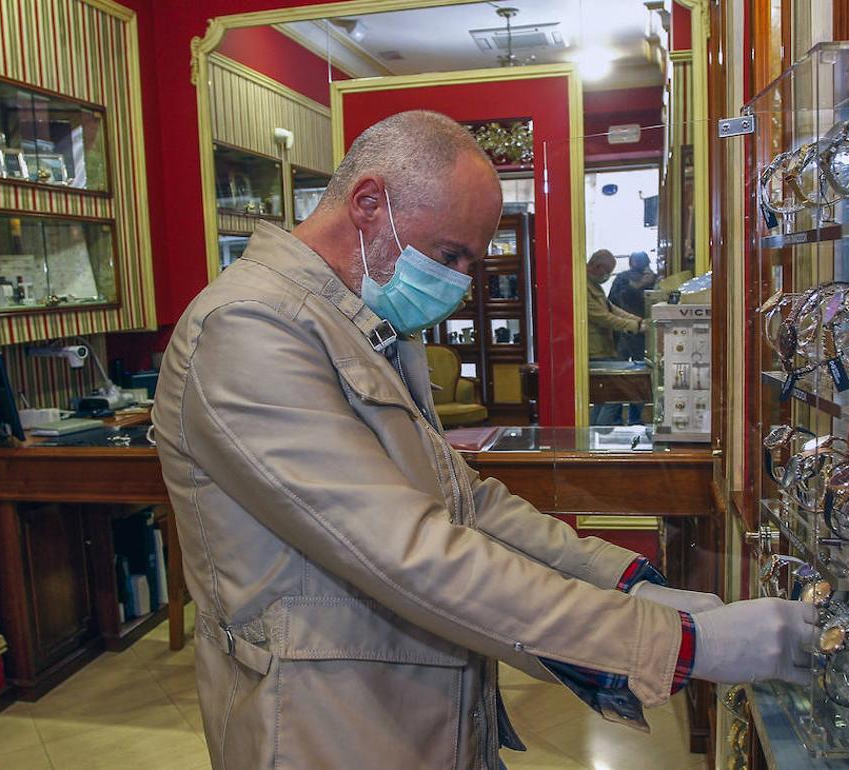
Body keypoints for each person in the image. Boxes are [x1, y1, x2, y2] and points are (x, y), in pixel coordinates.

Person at [153, 110, 814, 770]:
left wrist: (626, 583)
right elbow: (408, 552)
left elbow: (466, 502)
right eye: (450, 255)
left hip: (417, 702)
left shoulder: (353, 320)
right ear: (367, 204)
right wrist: (676, 644)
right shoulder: (247, 329)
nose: (461, 282)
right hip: (326, 724)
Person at [586, 249, 643, 425]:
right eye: (607, 271)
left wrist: (639, 322)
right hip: (594, 350)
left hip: (604, 348)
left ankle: (592, 437)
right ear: (597, 266)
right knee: (615, 394)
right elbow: (602, 317)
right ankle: (599, 436)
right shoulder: (582, 285)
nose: (608, 276)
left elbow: (611, 308)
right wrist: (635, 326)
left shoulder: (593, 285)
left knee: (602, 399)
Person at [607, 251, 657, 424]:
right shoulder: (622, 278)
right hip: (624, 333)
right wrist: (638, 286)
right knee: (619, 377)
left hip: (641, 334)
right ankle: (616, 417)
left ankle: (633, 417)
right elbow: (612, 302)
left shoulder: (653, 280)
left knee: (638, 379)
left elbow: (656, 303)